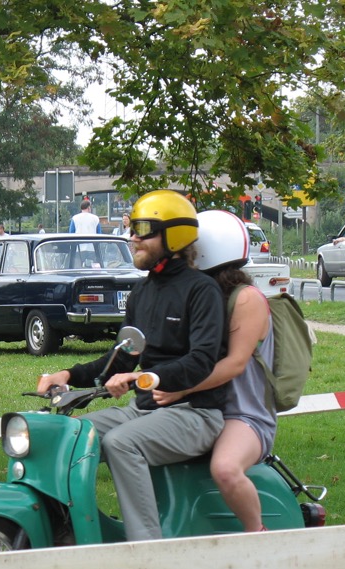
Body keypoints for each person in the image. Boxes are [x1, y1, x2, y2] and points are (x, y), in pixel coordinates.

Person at [37, 190, 226, 541]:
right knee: (69, 435)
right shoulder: (142, 293)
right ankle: (69, 533)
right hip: (143, 411)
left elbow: (201, 361)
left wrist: (145, 377)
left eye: (144, 230)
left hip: (195, 413)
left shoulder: (202, 291)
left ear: (174, 235)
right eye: (134, 229)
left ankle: (146, 555)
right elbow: (122, 357)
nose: (133, 237)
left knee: (122, 443)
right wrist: (67, 374)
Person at [151, 211, 274, 533]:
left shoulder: (247, 299)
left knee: (225, 469)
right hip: (201, 406)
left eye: (187, 249)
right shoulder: (201, 294)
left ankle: (257, 536)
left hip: (242, 414)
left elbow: (235, 364)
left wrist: (182, 388)